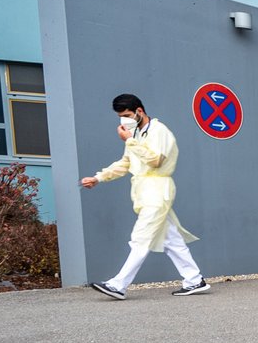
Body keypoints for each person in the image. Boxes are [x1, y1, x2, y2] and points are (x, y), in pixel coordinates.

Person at [81, 94, 207, 298]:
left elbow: (156, 161)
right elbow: (125, 163)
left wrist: (130, 141)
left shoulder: (159, 131)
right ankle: (194, 280)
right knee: (170, 238)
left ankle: (118, 285)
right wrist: (98, 177)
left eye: (127, 115)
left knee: (141, 236)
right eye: (121, 116)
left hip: (158, 188)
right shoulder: (136, 134)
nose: (124, 120)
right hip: (144, 190)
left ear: (139, 111)